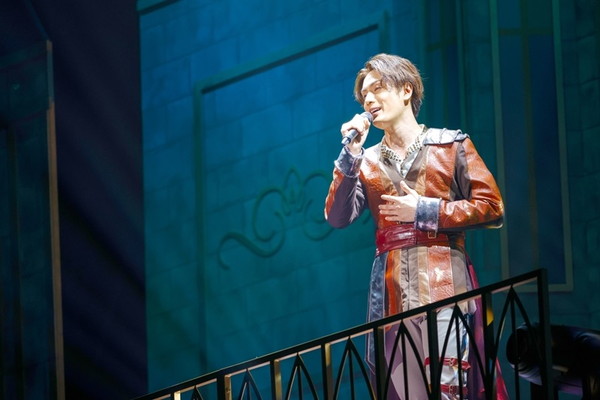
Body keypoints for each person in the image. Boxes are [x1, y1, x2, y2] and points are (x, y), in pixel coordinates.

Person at [324, 53, 507, 399]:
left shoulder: (450, 144)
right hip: (390, 297)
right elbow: (337, 216)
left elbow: (492, 207)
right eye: (364, 95)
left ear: (406, 90)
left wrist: (423, 210)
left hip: (445, 287)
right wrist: (350, 155)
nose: (369, 100)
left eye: (378, 88)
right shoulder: (366, 161)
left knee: (449, 390)